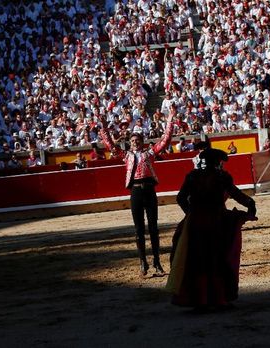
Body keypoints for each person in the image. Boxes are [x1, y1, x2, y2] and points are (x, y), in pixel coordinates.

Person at [166, 148, 257, 310]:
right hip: (217, 221)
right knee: (217, 259)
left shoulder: (192, 176)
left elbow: (180, 198)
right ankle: (217, 299)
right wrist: (251, 203)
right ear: (217, 162)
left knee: (196, 261)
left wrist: (191, 214)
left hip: (195, 223)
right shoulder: (222, 177)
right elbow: (236, 194)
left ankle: (197, 300)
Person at [98, 107, 176, 277]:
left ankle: (156, 262)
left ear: (142, 141)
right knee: (139, 229)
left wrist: (170, 119)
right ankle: (143, 263)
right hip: (136, 192)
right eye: (132, 140)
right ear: (130, 143)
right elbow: (109, 144)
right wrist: (103, 125)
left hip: (149, 190)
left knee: (154, 228)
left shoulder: (149, 153)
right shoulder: (126, 156)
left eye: (137, 140)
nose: (134, 142)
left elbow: (165, 140)